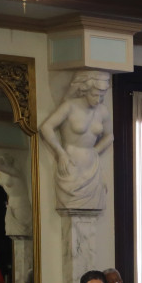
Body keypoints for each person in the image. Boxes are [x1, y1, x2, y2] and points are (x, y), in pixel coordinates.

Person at [38, 69, 113, 210]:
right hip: (71, 163)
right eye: (94, 95)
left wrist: (96, 151)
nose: (98, 100)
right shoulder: (70, 106)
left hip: (93, 166)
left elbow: (109, 136)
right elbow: (46, 127)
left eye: (101, 96)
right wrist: (61, 153)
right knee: (71, 210)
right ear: (84, 91)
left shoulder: (102, 110)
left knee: (92, 211)